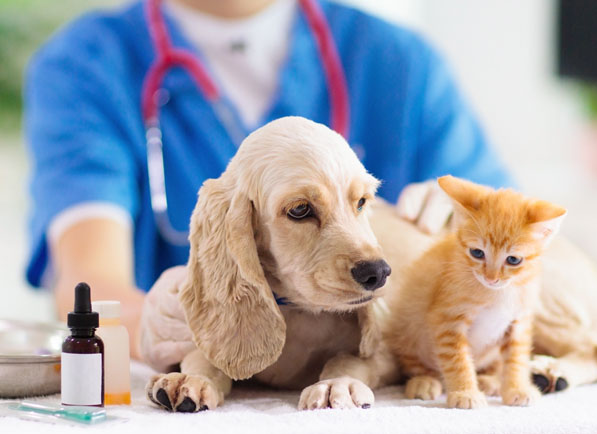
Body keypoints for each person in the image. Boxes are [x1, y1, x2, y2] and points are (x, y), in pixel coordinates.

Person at [24, 0, 512, 357]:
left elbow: (519, 240)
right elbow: (88, 281)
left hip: (367, 371)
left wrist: (469, 225)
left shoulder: (400, 63)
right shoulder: (85, 64)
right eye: (302, 209)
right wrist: (148, 324)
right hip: (203, 379)